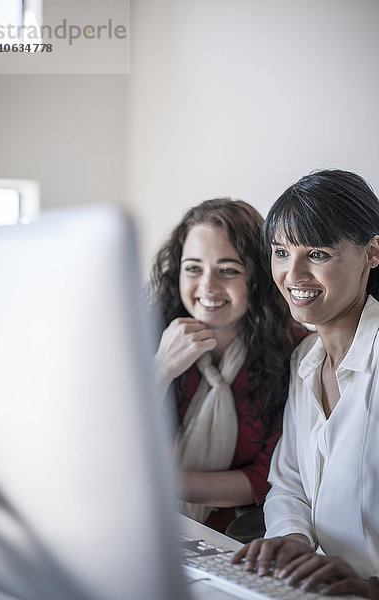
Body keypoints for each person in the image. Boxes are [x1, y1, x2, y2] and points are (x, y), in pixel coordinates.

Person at [233, 170, 379, 597]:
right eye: (281, 252)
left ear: (372, 252)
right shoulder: (305, 359)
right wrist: (291, 541)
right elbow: (289, 480)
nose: (292, 274)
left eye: (316, 253)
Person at [148, 198, 306, 533]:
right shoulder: (144, 335)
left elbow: (267, 477)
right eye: (193, 268)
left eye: (228, 270)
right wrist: (159, 370)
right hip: (141, 523)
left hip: (234, 536)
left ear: (258, 277)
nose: (207, 287)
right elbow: (106, 445)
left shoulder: (294, 349)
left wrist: (159, 483)